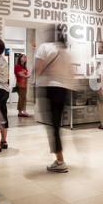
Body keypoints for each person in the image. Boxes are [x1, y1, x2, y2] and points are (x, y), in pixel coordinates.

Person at [33, 29, 72, 173]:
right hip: (63, 89)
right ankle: (59, 159)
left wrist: (31, 74)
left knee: (52, 126)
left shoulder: (45, 47)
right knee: (56, 124)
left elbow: (37, 69)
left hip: (49, 88)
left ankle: (60, 161)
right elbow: (70, 73)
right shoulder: (66, 51)